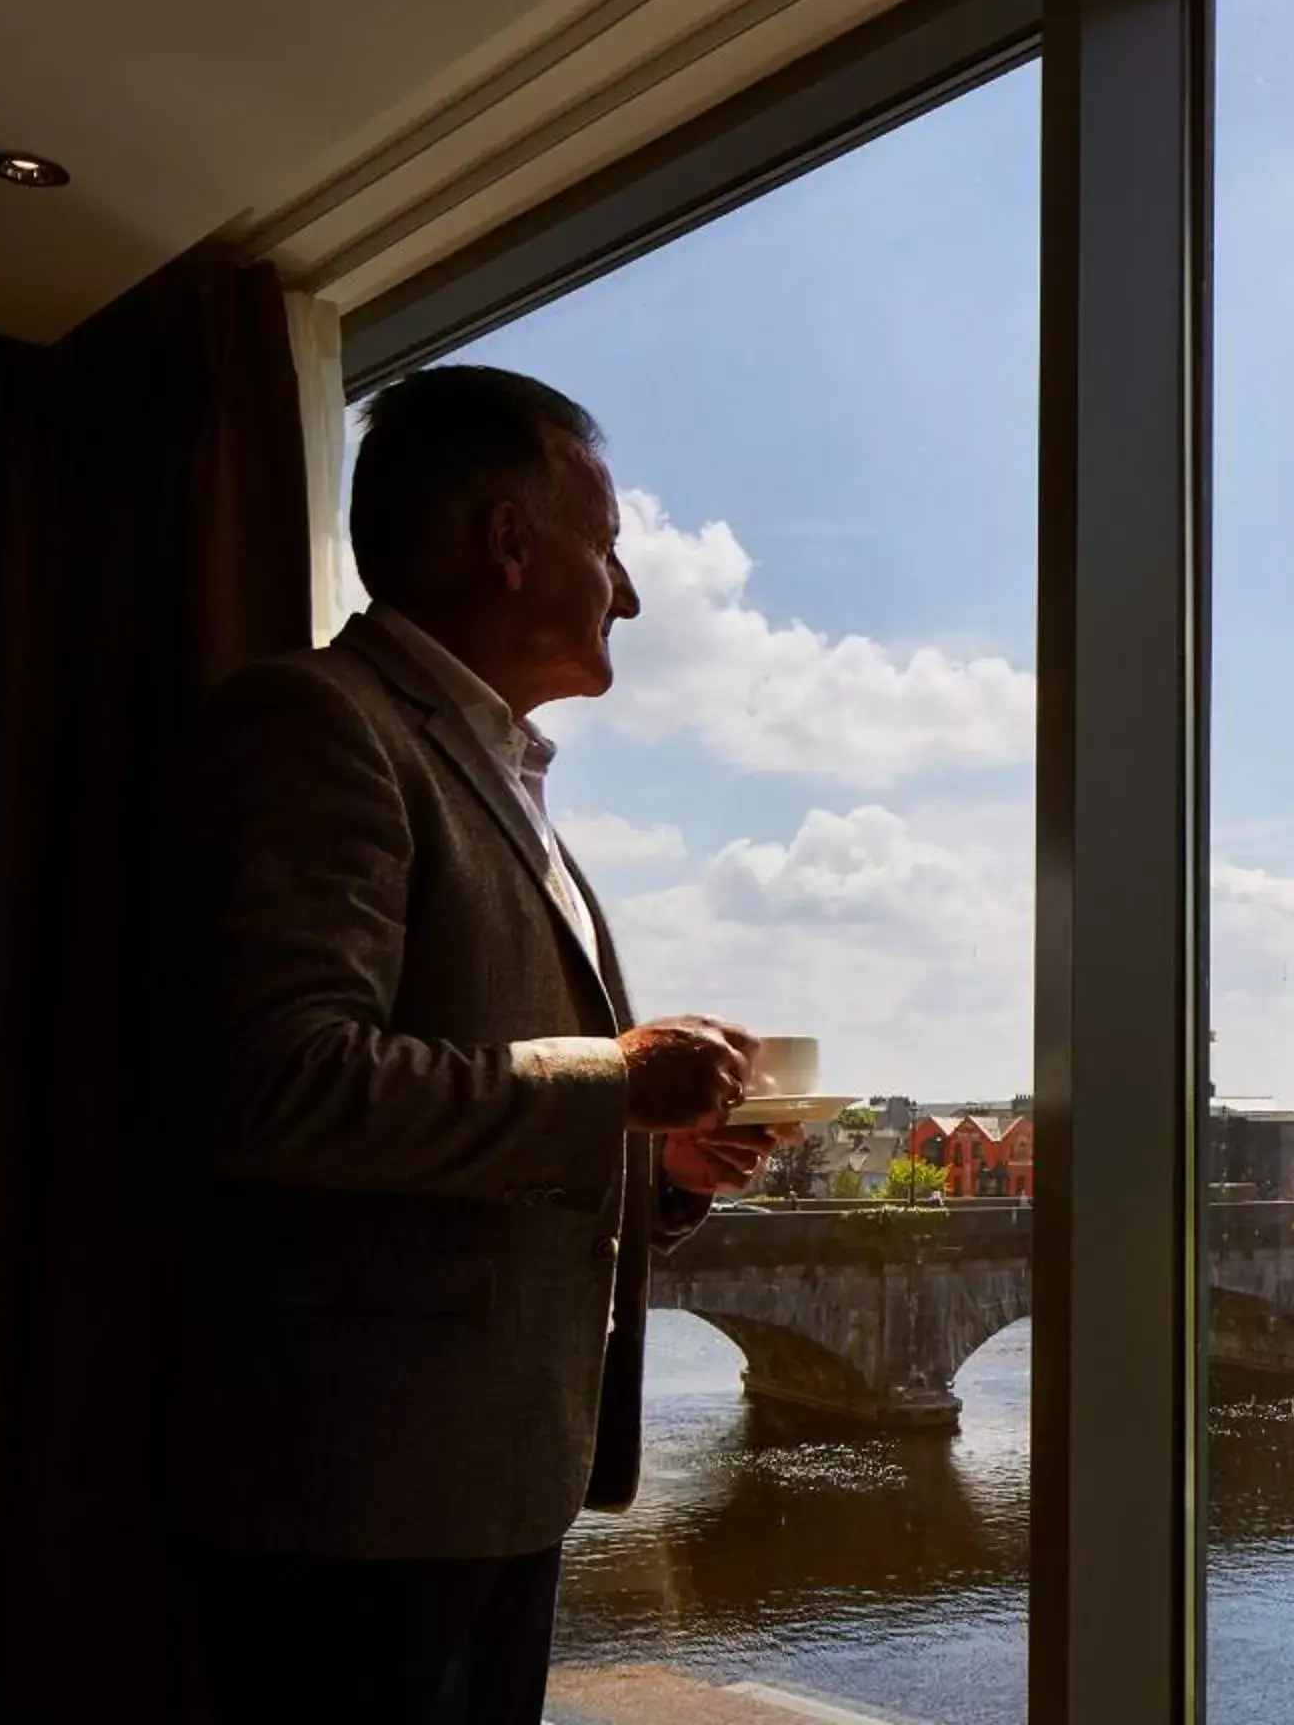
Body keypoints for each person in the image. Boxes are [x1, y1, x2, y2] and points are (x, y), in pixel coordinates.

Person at [167, 365, 789, 1723]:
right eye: (608, 548)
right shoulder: (319, 725)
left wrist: (664, 1161)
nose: (627, 593)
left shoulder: (497, 777)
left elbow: (486, 1116)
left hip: (489, 1477)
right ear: (510, 544)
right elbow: (280, 1081)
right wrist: (614, 1079)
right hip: (355, 1495)